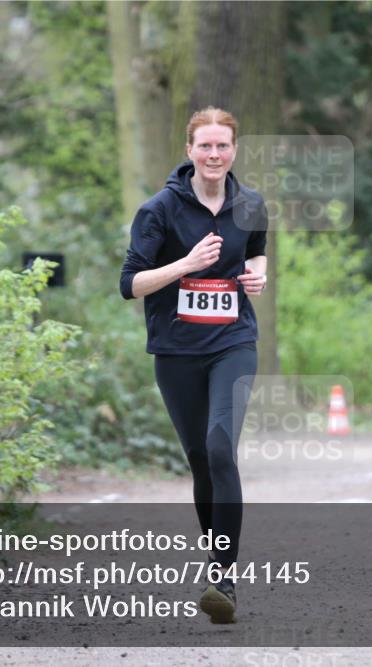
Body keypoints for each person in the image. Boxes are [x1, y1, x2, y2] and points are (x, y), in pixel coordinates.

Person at [119, 107, 267, 623]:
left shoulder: (250, 204)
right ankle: (217, 565)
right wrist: (185, 265)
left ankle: (222, 578)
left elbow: (258, 250)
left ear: (234, 151)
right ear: (189, 151)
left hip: (233, 342)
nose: (214, 155)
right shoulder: (158, 210)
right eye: (204, 146)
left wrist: (256, 277)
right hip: (177, 351)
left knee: (221, 447)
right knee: (201, 461)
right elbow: (129, 285)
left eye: (222, 146)